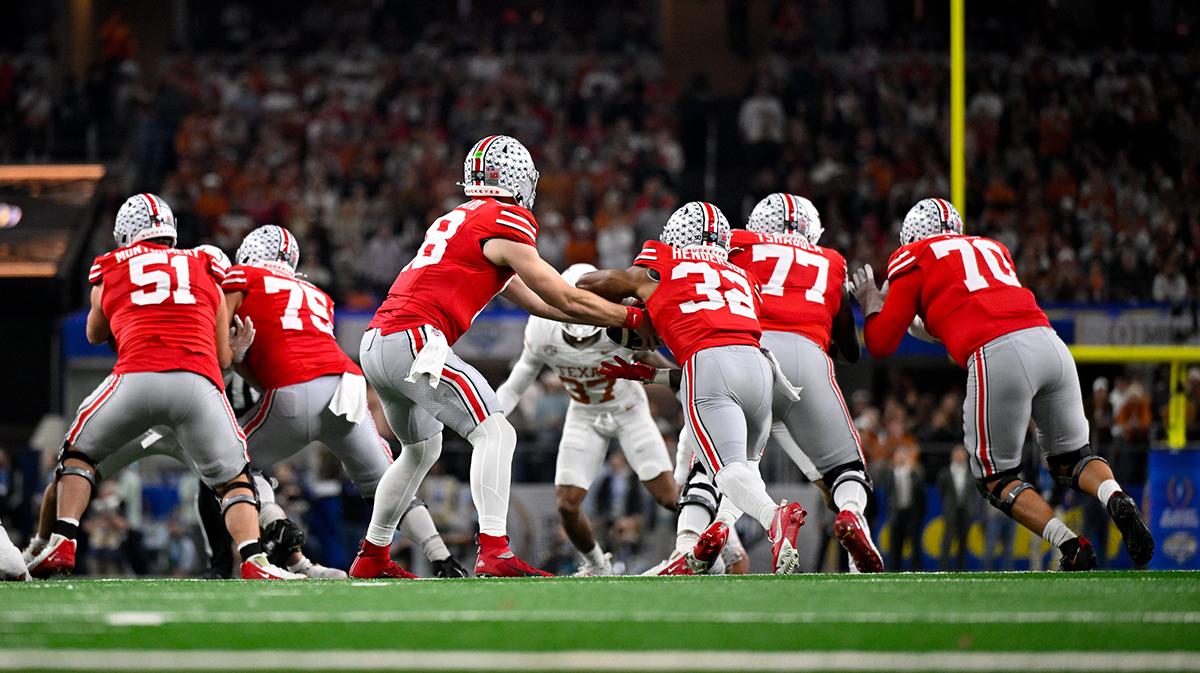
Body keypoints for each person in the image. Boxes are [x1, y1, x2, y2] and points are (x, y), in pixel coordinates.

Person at [352, 135, 654, 578]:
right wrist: (628, 317)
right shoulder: (504, 217)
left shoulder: (459, 219)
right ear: (517, 180)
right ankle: (495, 550)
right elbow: (561, 295)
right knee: (496, 432)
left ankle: (372, 556)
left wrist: (603, 322)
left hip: (378, 343)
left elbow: (536, 301)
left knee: (419, 451)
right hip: (415, 339)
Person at [851, 197, 1154, 570]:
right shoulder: (991, 248)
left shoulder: (915, 255)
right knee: (1073, 459)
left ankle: (1071, 546)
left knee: (996, 478)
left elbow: (880, 343)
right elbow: (953, 317)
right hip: (1050, 344)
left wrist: (869, 303)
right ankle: (1115, 496)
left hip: (998, 354)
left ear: (911, 236)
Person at [27, 194, 300, 580]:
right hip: (199, 384)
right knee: (235, 480)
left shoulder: (113, 263)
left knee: (77, 457)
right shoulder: (206, 263)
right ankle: (254, 560)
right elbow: (224, 358)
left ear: (125, 233)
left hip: (137, 377)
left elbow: (93, 333)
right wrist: (235, 349)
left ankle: (62, 541)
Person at [579, 201, 807, 575]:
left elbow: (589, 284)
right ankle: (702, 542)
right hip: (761, 368)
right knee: (744, 471)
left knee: (724, 472)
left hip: (708, 360)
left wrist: (636, 312)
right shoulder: (740, 274)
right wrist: (652, 374)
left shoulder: (663, 263)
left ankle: (773, 517)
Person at [725, 193, 882, 572]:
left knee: (721, 464)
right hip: (807, 357)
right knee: (847, 470)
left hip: (749, 352)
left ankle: (706, 542)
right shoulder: (831, 261)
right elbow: (851, 352)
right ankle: (852, 515)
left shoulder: (738, 245)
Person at [496, 264, 678, 576]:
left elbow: (660, 365)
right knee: (567, 505)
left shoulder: (621, 321)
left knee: (667, 497)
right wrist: (488, 419)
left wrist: (689, 393)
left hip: (628, 409)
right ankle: (598, 565)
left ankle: (716, 540)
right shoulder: (542, 328)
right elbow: (516, 383)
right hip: (583, 412)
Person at [881, 445, 926, 571]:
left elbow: (921, 492)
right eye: (898, 456)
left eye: (903, 456)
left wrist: (912, 470)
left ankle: (916, 570)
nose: (901, 459)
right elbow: (887, 493)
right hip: (896, 514)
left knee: (915, 545)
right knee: (895, 545)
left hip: (912, 514)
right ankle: (893, 570)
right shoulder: (890, 473)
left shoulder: (916, 472)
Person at [937, 444, 975, 571]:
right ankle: (943, 568)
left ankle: (960, 569)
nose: (959, 456)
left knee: (963, 542)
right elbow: (942, 491)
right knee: (947, 541)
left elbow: (973, 493)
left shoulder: (971, 474)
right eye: (957, 454)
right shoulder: (945, 473)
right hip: (951, 511)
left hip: (966, 510)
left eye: (961, 454)